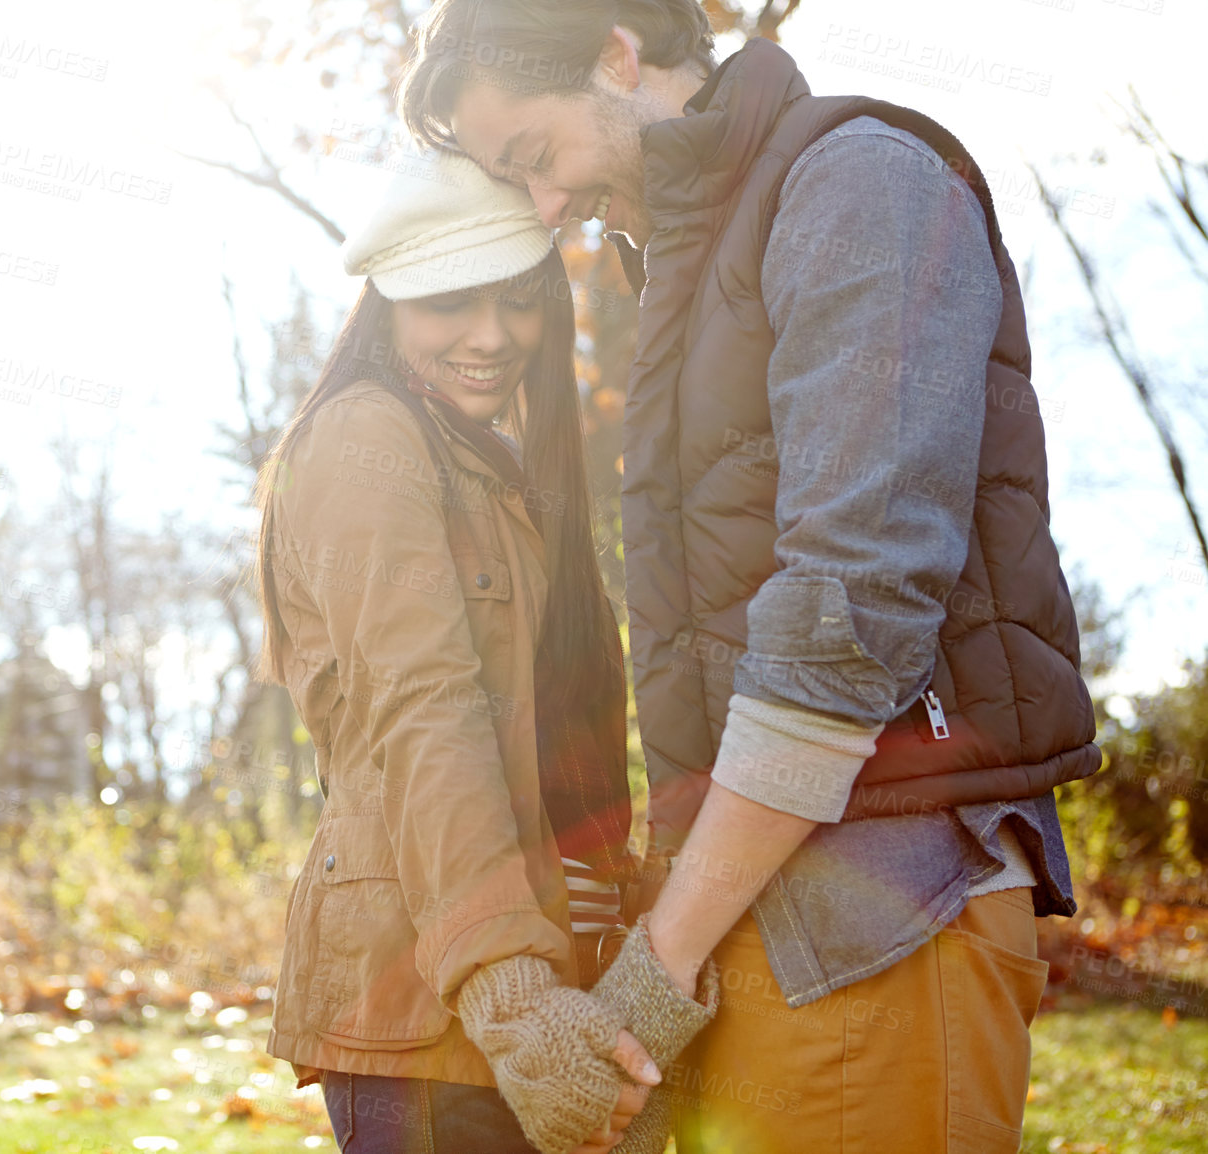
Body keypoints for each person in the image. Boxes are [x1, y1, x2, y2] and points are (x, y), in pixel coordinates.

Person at [396, 3, 1103, 1152]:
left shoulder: (856, 182)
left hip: (881, 918)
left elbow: (850, 611)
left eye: (532, 158)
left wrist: (658, 960)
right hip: (757, 924)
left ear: (617, 55)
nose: (542, 208)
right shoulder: (688, 261)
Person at [254, 148, 719, 1154]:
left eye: (517, 301)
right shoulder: (364, 439)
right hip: (441, 1009)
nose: (491, 335)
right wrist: (510, 996)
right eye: (448, 305)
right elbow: (421, 711)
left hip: (568, 978)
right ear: (386, 306)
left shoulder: (504, 469)